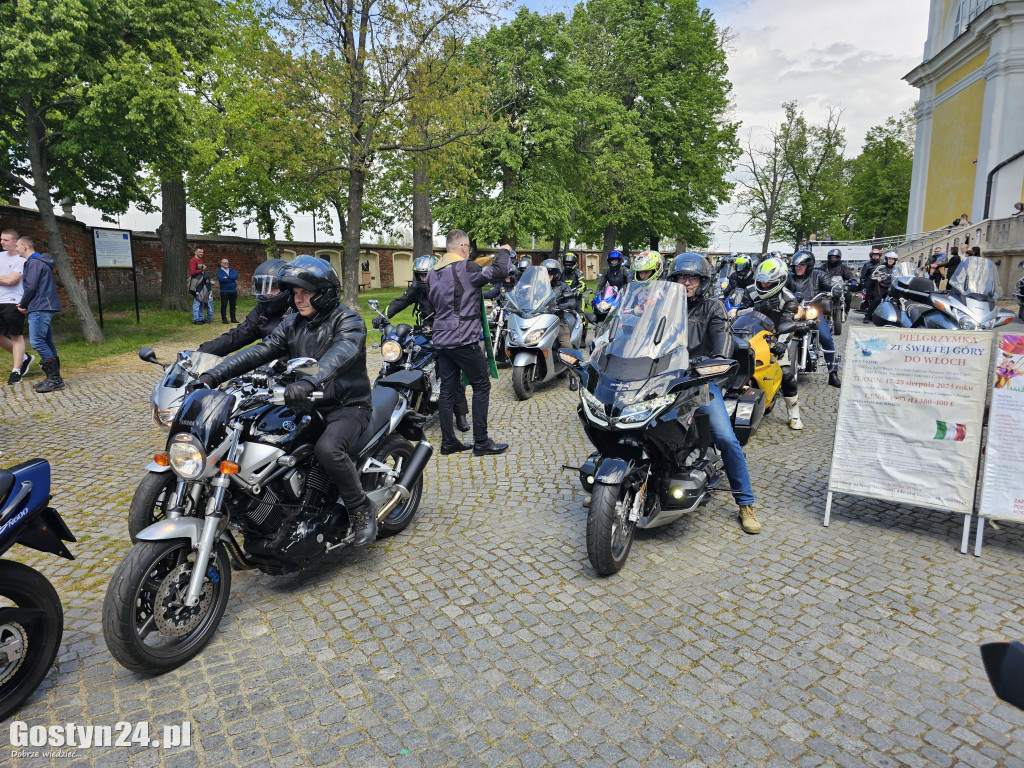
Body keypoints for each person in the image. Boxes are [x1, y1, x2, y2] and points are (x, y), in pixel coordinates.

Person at [190, 255, 379, 547]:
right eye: (295, 293)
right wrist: (212, 376)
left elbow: (339, 354)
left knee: (328, 449)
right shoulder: (292, 322)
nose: (298, 299)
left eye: (306, 293)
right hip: (303, 402)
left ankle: (360, 508)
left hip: (345, 405)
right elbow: (259, 351)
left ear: (326, 293)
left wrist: (308, 381)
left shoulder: (349, 321)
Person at [664, 252, 760, 534]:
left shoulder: (713, 308)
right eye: (681, 277)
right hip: (662, 380)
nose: (686, 282)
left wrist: (710, 361)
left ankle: (745, 503)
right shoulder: (665, 307)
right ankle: (613, 484)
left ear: (703, 281)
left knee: (725, 438)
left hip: (700, 383)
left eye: (692, 277)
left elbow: (723, 346)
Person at [426, 230, 512, 457]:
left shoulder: (433, 273)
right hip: (463, 338)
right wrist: (504, 251)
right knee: (481, 385)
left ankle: (448, 442)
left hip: (441, 338)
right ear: (464, 247)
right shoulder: (466, 268)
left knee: (447, 389)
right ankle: (481, 442)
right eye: (468, 248)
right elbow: (501, 271)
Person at [374, 255, 471, 433]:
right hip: (424, 329)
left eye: (426, 275)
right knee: (403, 359)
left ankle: (460, 414)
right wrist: (383, 316)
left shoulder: (447, 287)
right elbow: (401, 301)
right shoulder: (416, 289)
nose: (423, 279)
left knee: (450, 371)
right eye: (420, 276)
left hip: (446, 330)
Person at [739, 257, 803, 429]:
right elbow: (737, 313)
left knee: (787, 374)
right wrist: (759, 307)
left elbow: (787, 324)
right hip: (747, 335)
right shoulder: (750, 291)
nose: (764, 285)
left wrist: (781, 343)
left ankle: (794, 413)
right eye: (762, 282)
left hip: (773, 338)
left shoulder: (789, 299)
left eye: (769, 283)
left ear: (780, 281)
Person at [198, 259, 293, 357]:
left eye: (273, 288)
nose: (267, 293)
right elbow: (237, 335)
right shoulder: (262, 311)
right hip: (270, 366)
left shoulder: (297, 313)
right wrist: (200, 353)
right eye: (262, 287)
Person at [787, 250, 841, 387]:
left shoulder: (819, 275)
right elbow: (780, 288)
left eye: (802, 265)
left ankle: (833, 373)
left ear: (809, 265)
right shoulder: (789, 277)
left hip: (813, 313)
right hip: (794, 312)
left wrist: (835, 289)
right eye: (796, 265)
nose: (798, 267)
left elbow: (829, 285)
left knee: (826, 338)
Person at [16, 236, 63, 392]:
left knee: (37, 342)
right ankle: (55, 378)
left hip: (40, 306)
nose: (15, 248)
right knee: (47, 341)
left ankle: (54, 379)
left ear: (25, 247)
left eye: (17, 245)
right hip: (42, 305)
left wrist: (23, 304)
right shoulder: (39, 262)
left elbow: (31, 287)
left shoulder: (34, 263)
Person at [541, 258, 583, 390]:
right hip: (539, 320)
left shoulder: (563, 286)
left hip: (557, 321)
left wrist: (560, 306)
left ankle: (573, 376)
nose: (548, 276)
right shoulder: (538, 287)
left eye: (551, 273)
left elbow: (571, 302)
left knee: (566, 345)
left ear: (556, 274)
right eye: (545, 273)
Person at [0, 229, 33, 384]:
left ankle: (16, 371)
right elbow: (6, 278)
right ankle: (25, 358)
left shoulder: (22, 260)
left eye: (5, 240)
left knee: (15, 335)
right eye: (1, 239)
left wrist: (7, 278)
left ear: (15, 242)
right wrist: (5, 277)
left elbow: (11, 281)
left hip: (13, 301)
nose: (2, 242)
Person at [863, 250, 899, 323]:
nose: (890, 260)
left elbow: (903, 275)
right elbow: (873, 275)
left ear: (895, 260)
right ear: (886, 259)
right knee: (877, 300)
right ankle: (867, 316)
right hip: (881, 286)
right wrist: (877, 278)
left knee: (899, 300)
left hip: (892, 287)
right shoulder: (881, 267)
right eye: (889, 258)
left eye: (892, 259)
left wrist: (899, 276)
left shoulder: (897, 269)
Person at [189, 248, 213, 324]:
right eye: (200, 252)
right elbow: (193, 272)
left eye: (202, 252)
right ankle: (195, 319)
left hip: (202, 284)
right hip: (196, 283)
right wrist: (202, 270)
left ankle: (201, 318)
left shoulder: (200, 261)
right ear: (195, 252)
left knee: (202, 300)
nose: (201, 253)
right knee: (197, 302)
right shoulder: (193, 260)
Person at [216, 257, 239, 324]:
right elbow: (222, 279)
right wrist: (231, 279)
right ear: (221, 264)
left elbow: (236, 276)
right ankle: (224, 319)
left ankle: (233, 318)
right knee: (224, 305)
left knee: (233, 305)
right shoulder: (219, 271)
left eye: (227, 263)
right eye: (225, 263)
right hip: (224, 291)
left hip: (233, 291)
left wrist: (228, 277)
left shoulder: (232, 270)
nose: (226, 264)